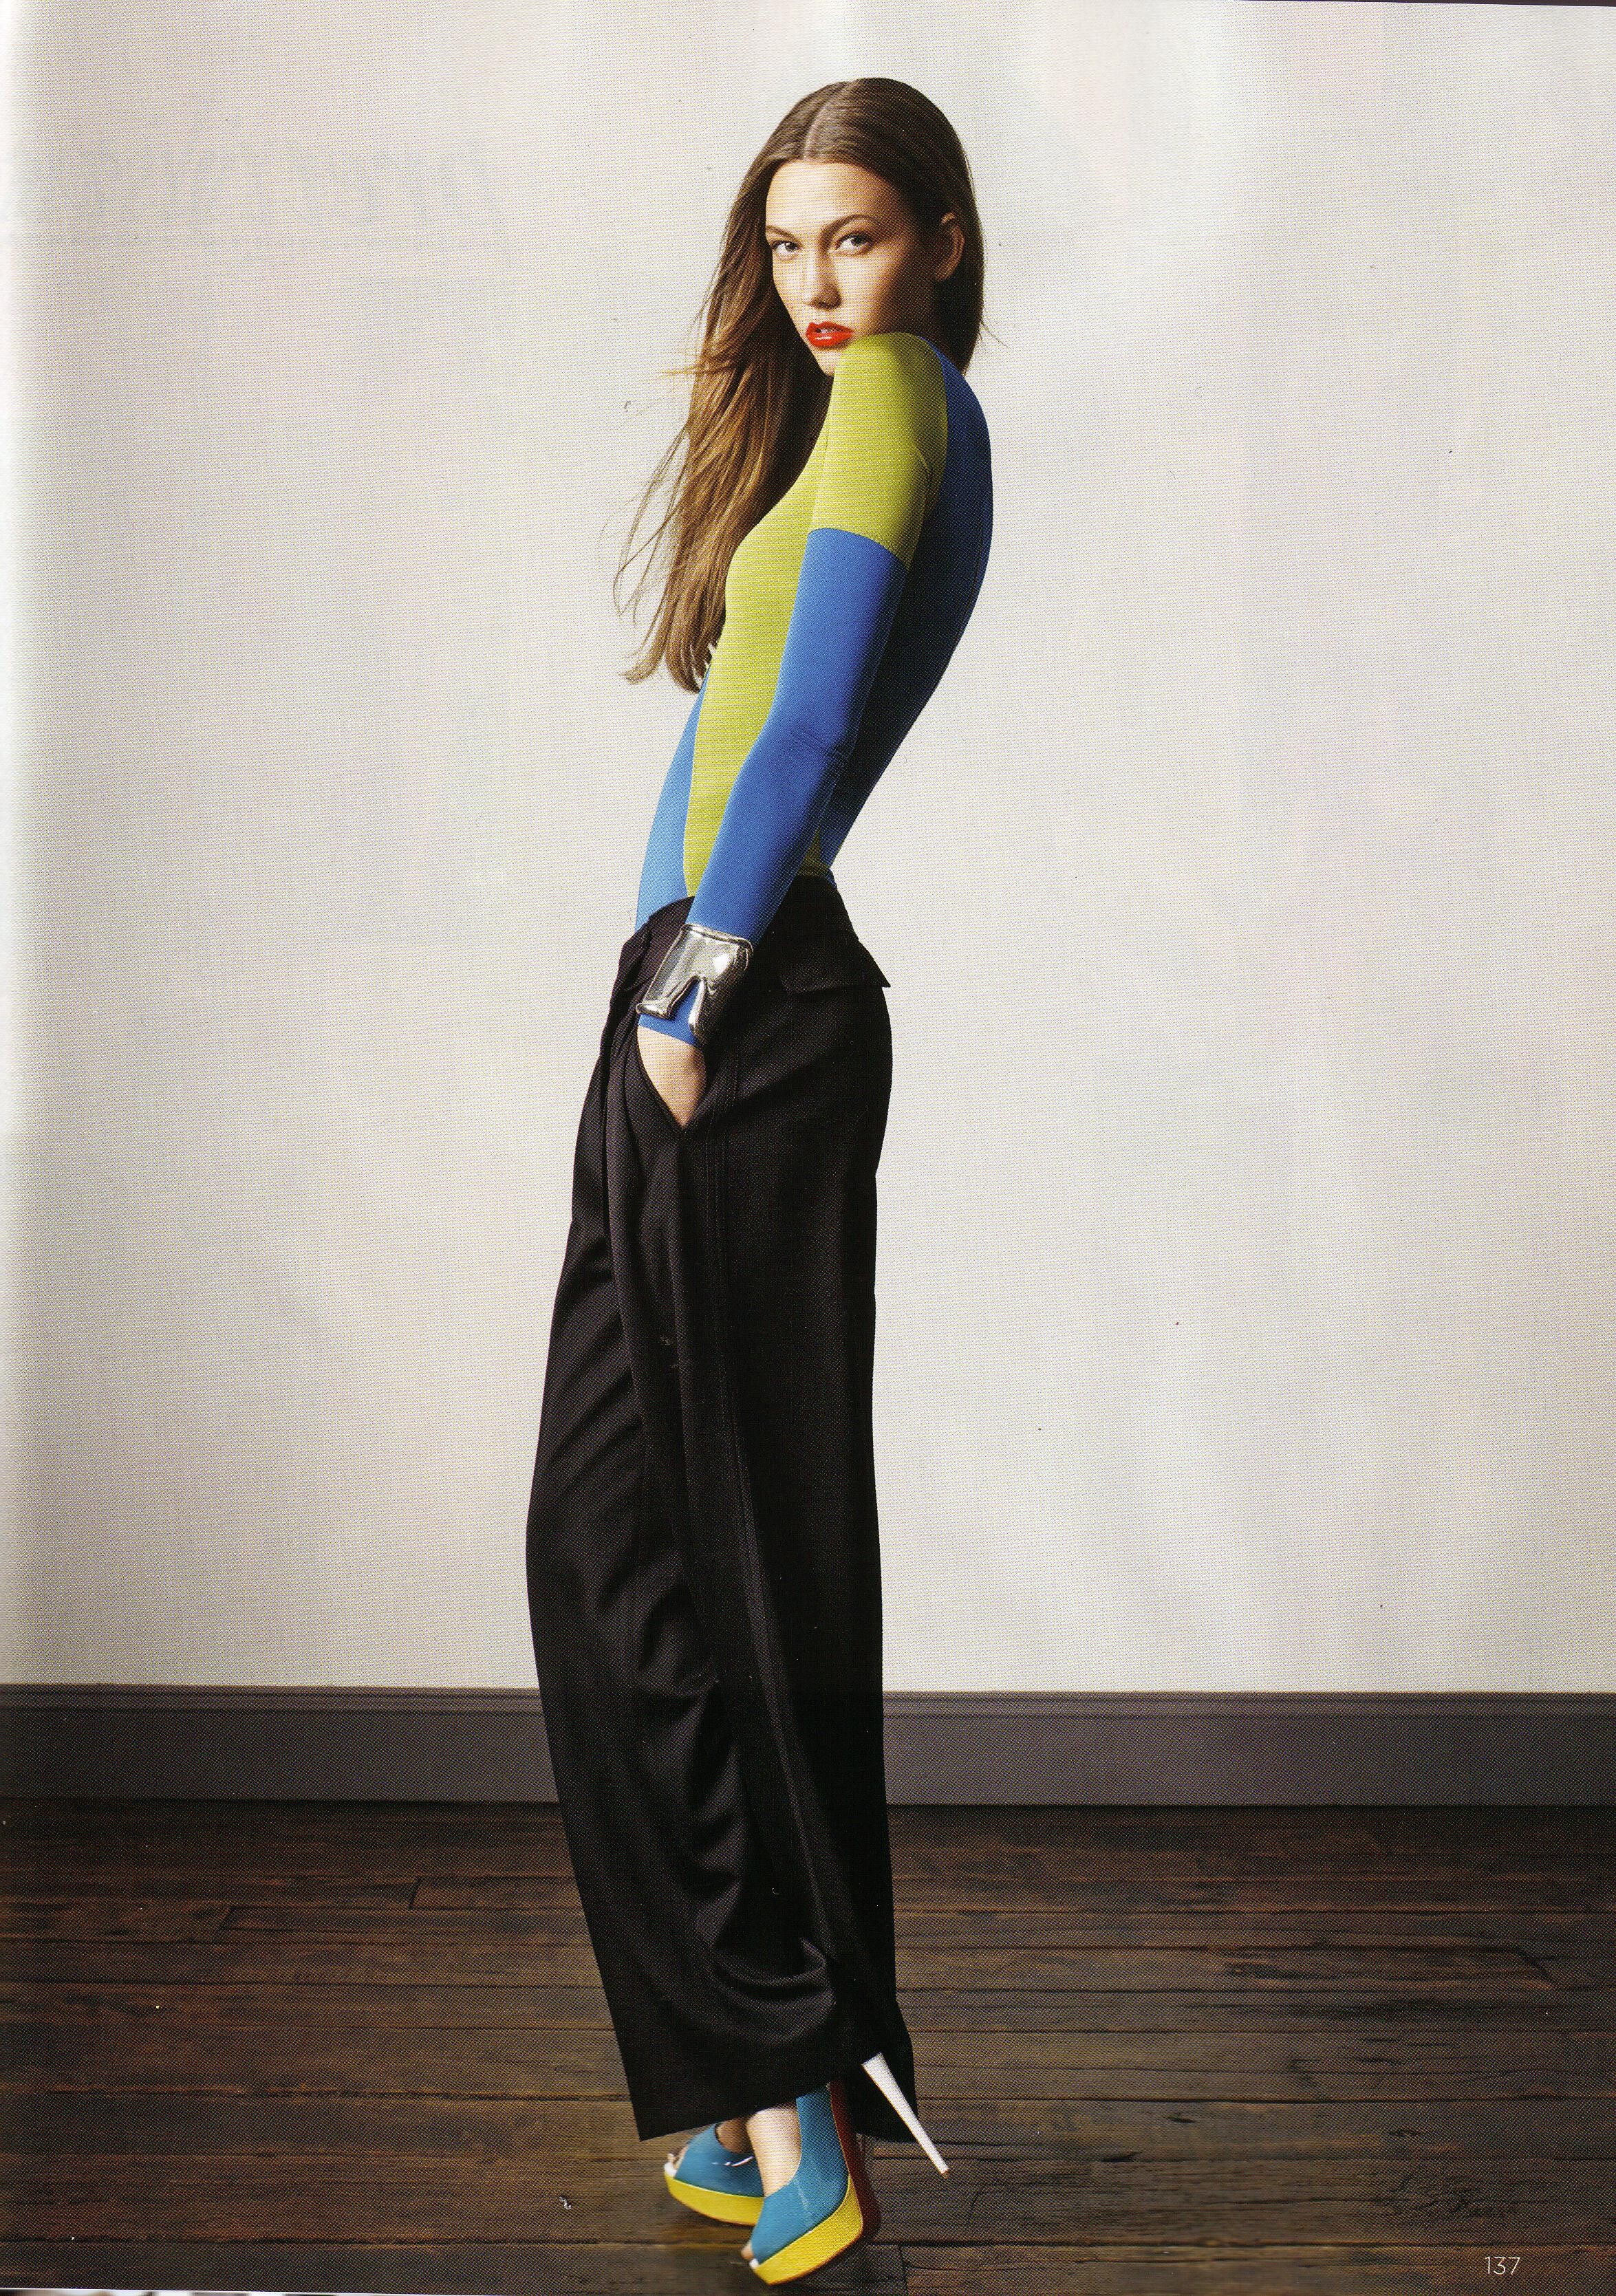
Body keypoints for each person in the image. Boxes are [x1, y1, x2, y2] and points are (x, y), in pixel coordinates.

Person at [526, 76, 992, 2284]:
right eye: (792, 244)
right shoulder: (847, 413)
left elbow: (800, 731)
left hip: (749, 1008)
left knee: (696, 1564)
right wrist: (659, 973)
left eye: (859, 237)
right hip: (701, 993)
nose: (821, 283)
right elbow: (733, 730)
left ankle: (796, 2087)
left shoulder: (900, 397)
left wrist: (696, 987)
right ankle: (747, 2066)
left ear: (943, 244)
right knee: (620, 1545)